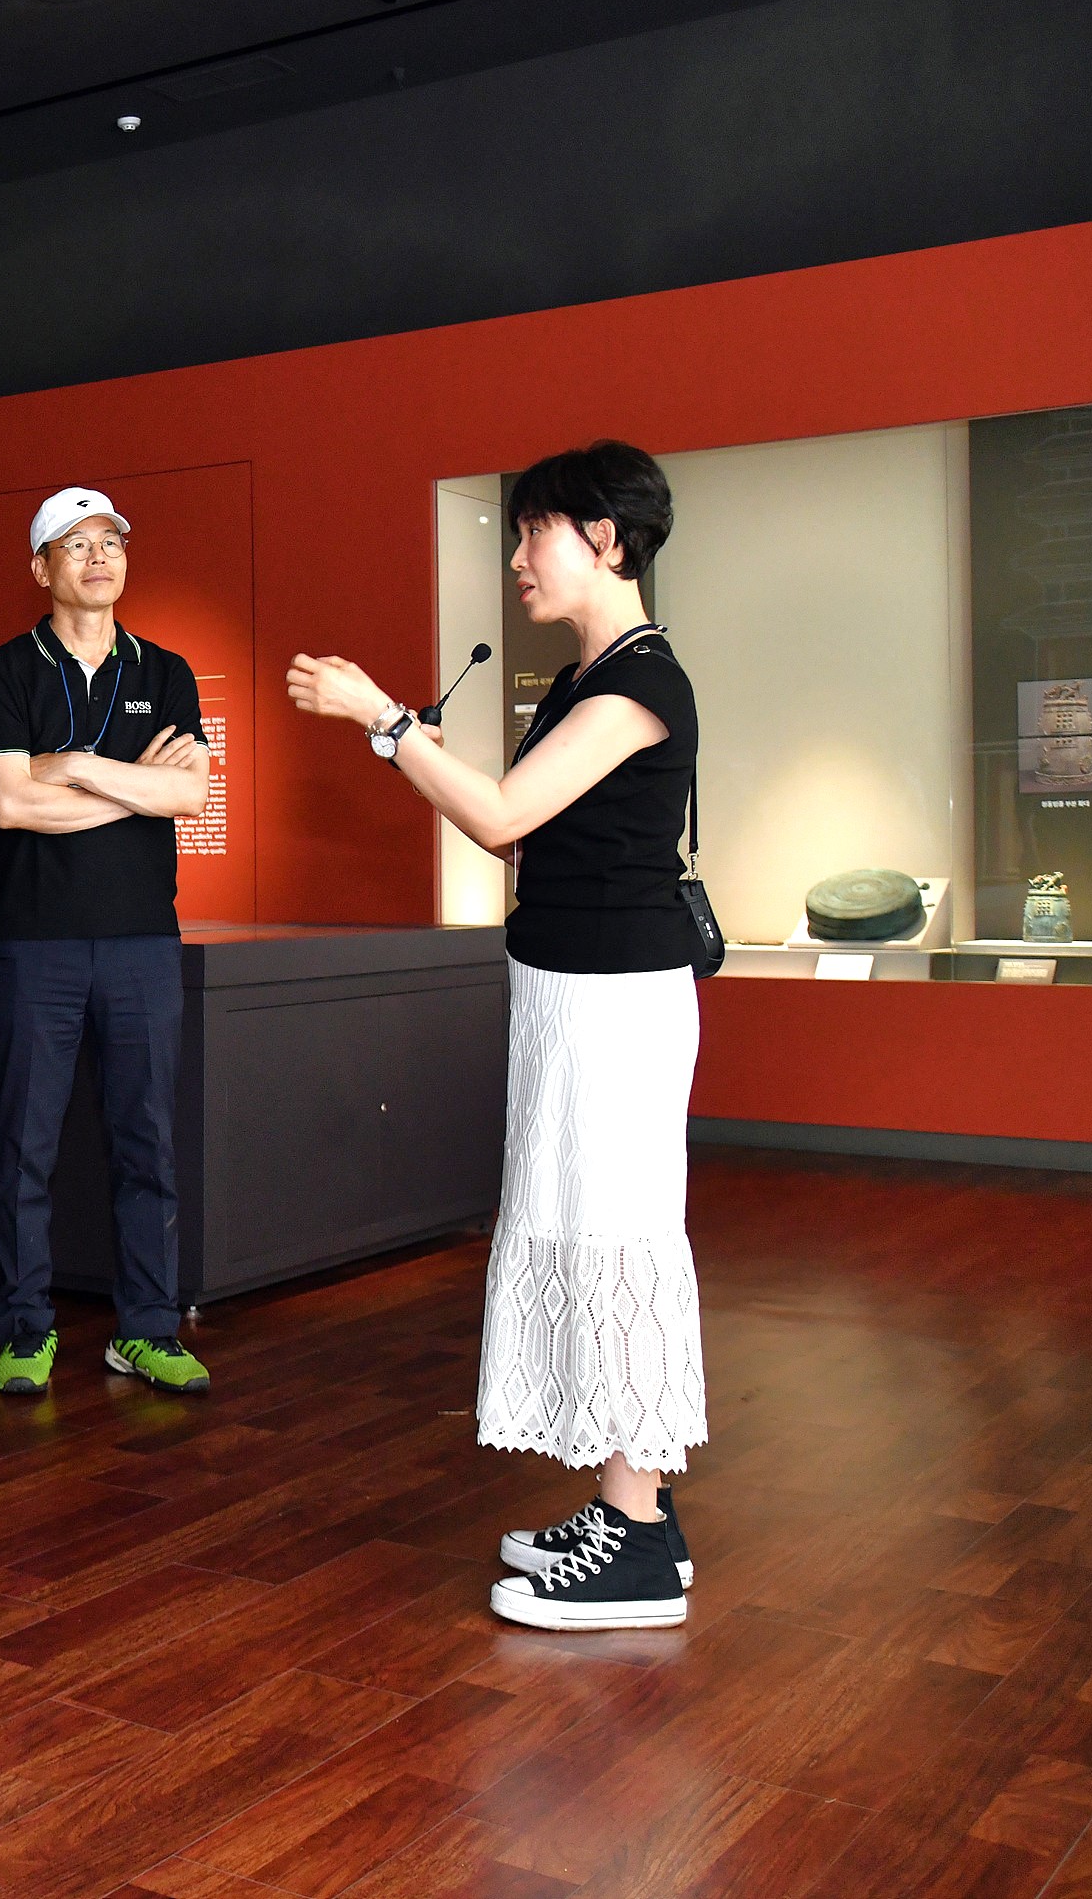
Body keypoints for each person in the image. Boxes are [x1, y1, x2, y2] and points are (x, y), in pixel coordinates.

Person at [287, 439, 706, 1633]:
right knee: (579, 1227)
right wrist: (406, 741)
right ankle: (631, 1512)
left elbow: (502, 812)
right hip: (568, 991)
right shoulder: (584, 678)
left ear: (604, 540)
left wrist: (383, 720)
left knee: (613, 1238)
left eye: (535, 530)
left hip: (614, 1005)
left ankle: (634, 1538)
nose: (517, 555)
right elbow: (522, 837)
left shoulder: (641, 682)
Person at [0, 487, 214, 1398]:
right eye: (76, 544)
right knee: (24, 1144)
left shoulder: (168, 670)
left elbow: (188, 794)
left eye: (111, 540)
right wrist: (127, 784)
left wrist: (70, 767)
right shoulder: (5, 670)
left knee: (148, 1141)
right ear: (41, 567)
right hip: (36, 944)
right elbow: (11, 805)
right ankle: (24, 1327)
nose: (99, 555)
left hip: (143, 940)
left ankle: (148, 1328)